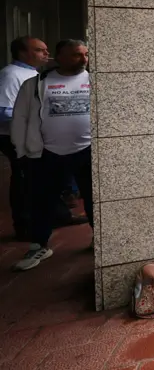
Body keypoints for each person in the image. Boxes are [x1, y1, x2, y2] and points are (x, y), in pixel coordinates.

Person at [11, 40, 93, 270]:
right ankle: (39, 245)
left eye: (86, 54)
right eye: (77, 55)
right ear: (60, 57)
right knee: (42, 201)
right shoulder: (36, 84)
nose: (84, 60)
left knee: (94, 198)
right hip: (47, 153)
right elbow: (20, 119)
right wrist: (22, 151)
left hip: (88, 151)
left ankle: (100, 239)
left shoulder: (94, 80)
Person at [0, 36, 49, 240]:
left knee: (39, 178)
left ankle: (55, 216)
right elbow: (3, 111)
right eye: (40, 50)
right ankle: (24, 225)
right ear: (22, 52)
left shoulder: (32, 74)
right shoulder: (11, 75)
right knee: (24, 180)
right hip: (16, 137)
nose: (46, 54)